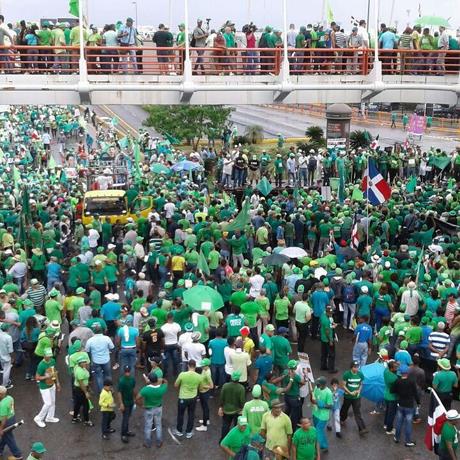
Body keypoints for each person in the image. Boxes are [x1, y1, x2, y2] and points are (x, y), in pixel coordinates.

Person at [136, 372, 167, 449]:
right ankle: (159, 442)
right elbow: (166, 382)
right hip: (158, 408)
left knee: (148, 426)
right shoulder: (162, 388)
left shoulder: (146, 389)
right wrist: (161, 379)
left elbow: (137, 398)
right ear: (156, 379)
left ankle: (147, 443)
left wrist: (141, 405)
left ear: (149, 380)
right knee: (158, 425)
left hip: (148, 409)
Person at [173, 359, 203, 439]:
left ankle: (179, 431)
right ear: (195, 366)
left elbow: (175, 385)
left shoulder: (182, 374)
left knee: (180, 414)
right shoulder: (199, 376)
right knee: (191, 414)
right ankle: (189, 432)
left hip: (183, 397)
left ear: (188, 365)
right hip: (193, 398)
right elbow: (200, 388)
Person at [392, 364, 419, 447]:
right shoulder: (411, 381)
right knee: (408, 424)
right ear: (408, 372)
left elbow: (392, 390)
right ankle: (407, 441)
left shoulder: (397, 381)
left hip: (400, 404)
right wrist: (418, 402)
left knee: (399, 422)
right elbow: (415, 393)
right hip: (409, 405)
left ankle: (397, 438)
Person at [34, 347, 60, 428]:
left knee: (53, 402)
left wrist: (58, 383)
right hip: (44, 387)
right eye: (48, 356)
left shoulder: (52, 361)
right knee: (48, 403)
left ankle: (50, 417)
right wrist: (46, 377)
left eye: (50, 355)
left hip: (52, 384)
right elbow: (37, 378)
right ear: (44, 355)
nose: (49, 357)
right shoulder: (41, 365)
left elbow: (54, 372)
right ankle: (38, 418)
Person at [340, 360, 367, 435]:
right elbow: (343, 385)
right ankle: (342, 418)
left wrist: (359, 391)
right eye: (354, 367)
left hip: (357, 397)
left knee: (357, 412)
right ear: (351, 367)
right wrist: (350, 392)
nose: (356, 369)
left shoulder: (360, 374)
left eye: (357, 367)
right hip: (348, 396)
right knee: (345, 409)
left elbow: (361, 384)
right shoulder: (346, 374)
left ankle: (362, 428)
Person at [219, 370, 246, 440]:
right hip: (237, 410)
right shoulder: (241, 388)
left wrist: (221, 407)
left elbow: (222, 398)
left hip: (226, 410)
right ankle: (235, 440)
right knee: (236, 426)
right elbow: (242, 401)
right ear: (238, 378)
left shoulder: (225, 386)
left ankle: (223, 440)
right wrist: (242, 408)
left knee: (225, 425)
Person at [310, 376, 333, 452]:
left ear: (323, 385)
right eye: (317, 384)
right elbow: (313, 399)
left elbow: (330, 406)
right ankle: (322, 444)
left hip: (323, 416)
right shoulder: (316, 388)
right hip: (315, 413)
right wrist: (311, 396)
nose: (316, 385)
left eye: (318, 384)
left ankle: (321, 446)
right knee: (318, 430)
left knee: (318, 430)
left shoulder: (328, 393)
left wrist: (320, 403)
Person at [0, 385, 22, 460]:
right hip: (12, 418)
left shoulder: (2, 404)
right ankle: (0, 449)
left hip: (6, 422)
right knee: (6, 436)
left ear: (1, 394)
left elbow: (3, 419)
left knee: (9, 438)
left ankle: (18, 455)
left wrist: (1, 429)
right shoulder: (9, 397)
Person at [117, 365, 136, 443]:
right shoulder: (121, 381)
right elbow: (119, 393)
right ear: (124, 372)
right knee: (125, 418)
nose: (127, 373)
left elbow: (133, 389)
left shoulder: (132, 379)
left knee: (128, 417)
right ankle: (123, 434)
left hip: (131, 401)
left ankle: (127, 431)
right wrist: (121, 403)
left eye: (128, 371)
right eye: (126, 372)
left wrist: (136, 398)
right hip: (125, 403)